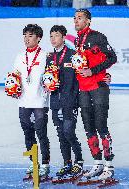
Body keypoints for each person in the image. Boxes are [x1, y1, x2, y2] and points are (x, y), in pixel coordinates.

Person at [73, 9, 117, 180]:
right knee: (88, 127)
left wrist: (93, 71)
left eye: (80, 18)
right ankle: (97, 163)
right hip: (83, 89)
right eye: (74, 18)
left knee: (101, 125)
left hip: (98, 87)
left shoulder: (98, 37)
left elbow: (112, 58)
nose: (76, 21)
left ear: (88, 21)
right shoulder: (77, 40)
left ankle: (109, 166)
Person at [45, 25, 84, 178]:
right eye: (51, 36)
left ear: (63, 37)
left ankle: (79, 161)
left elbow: (81, 77)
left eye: (56, 35)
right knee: (61, 133)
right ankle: (67, 163)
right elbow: (47, 79)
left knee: (69, 131)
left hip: (70, 101)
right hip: (55, 101)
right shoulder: (49, 58)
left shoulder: (73, 55)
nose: (53, 39)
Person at [13, 24, 50, 179]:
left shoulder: (46, 56)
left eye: (30, 36)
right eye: (25, 36)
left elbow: (51, 78)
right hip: (23, 102)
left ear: (38, 38)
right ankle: (33, 162)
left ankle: (45, 165)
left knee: (41, 133)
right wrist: (12, 87)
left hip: (39, 102)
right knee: (28, 134)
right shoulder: (20, 56)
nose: (26, 39)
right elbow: (14, 76)